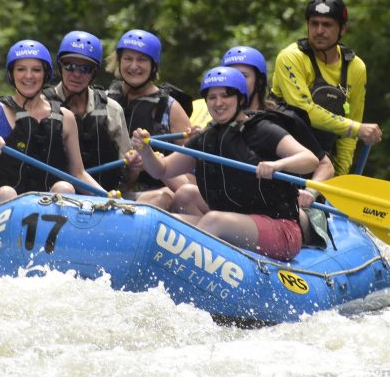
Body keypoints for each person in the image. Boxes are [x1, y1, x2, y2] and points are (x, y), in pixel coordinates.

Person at [130, 66, 319, 261]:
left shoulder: (263, 130)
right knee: (164, 222)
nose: (218, 103)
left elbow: (310, 160)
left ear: (240, 99)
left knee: (214, 221)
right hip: (235, 221)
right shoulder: (207, 138)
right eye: (212, 98)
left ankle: (176, 271)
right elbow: (162, 170)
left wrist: (278, 165)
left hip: (281, 230)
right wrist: (146, 151)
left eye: (225, 96)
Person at [0, 39, 107, 214]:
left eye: (36, 70)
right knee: (7, 193)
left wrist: (108, 197)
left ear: (45, 74)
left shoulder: (65, 118)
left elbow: (78, 174)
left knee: (65, 188)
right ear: (12, 74)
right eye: (21, 69)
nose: (29, 76)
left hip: (41, 214)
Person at [221, 45, 336, 246]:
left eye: (243, 76)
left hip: (291, 207)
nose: (235, 83)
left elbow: (325, 165)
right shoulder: (219, 124)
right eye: (230, 77)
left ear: (259, 81)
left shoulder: (284, 119)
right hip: (244, 201)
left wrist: (311, 192)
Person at [270, 0, 382, 176]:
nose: (319, 31)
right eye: (314, 24)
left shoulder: (356, 68)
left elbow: (351, 130)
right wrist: (355, 128)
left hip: (322, 162)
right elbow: (305, 110)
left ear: (342, 29)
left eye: (327, 25)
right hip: (280, 154)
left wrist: (341, 174)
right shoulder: (291, 57)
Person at [107, 29, 195, 208]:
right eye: (128, 58)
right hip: (111, 189)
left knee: (161, 197)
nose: (134, 66)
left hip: (155, 192)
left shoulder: (169, 106)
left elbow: (192, 172)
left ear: (153, 66)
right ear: (119, 61)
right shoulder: (105, 98)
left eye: (141, 60)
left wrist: (154, 162)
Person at [43, 30, 130, 194]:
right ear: (60, 67)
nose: (76, 74)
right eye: (70, 66)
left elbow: (127, 176)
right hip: (55, 196)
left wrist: (135, 166)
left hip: (104, 196)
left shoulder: (111, 109)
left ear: (94, 73)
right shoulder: (42, 107)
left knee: (160, 196)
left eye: (85, 69)